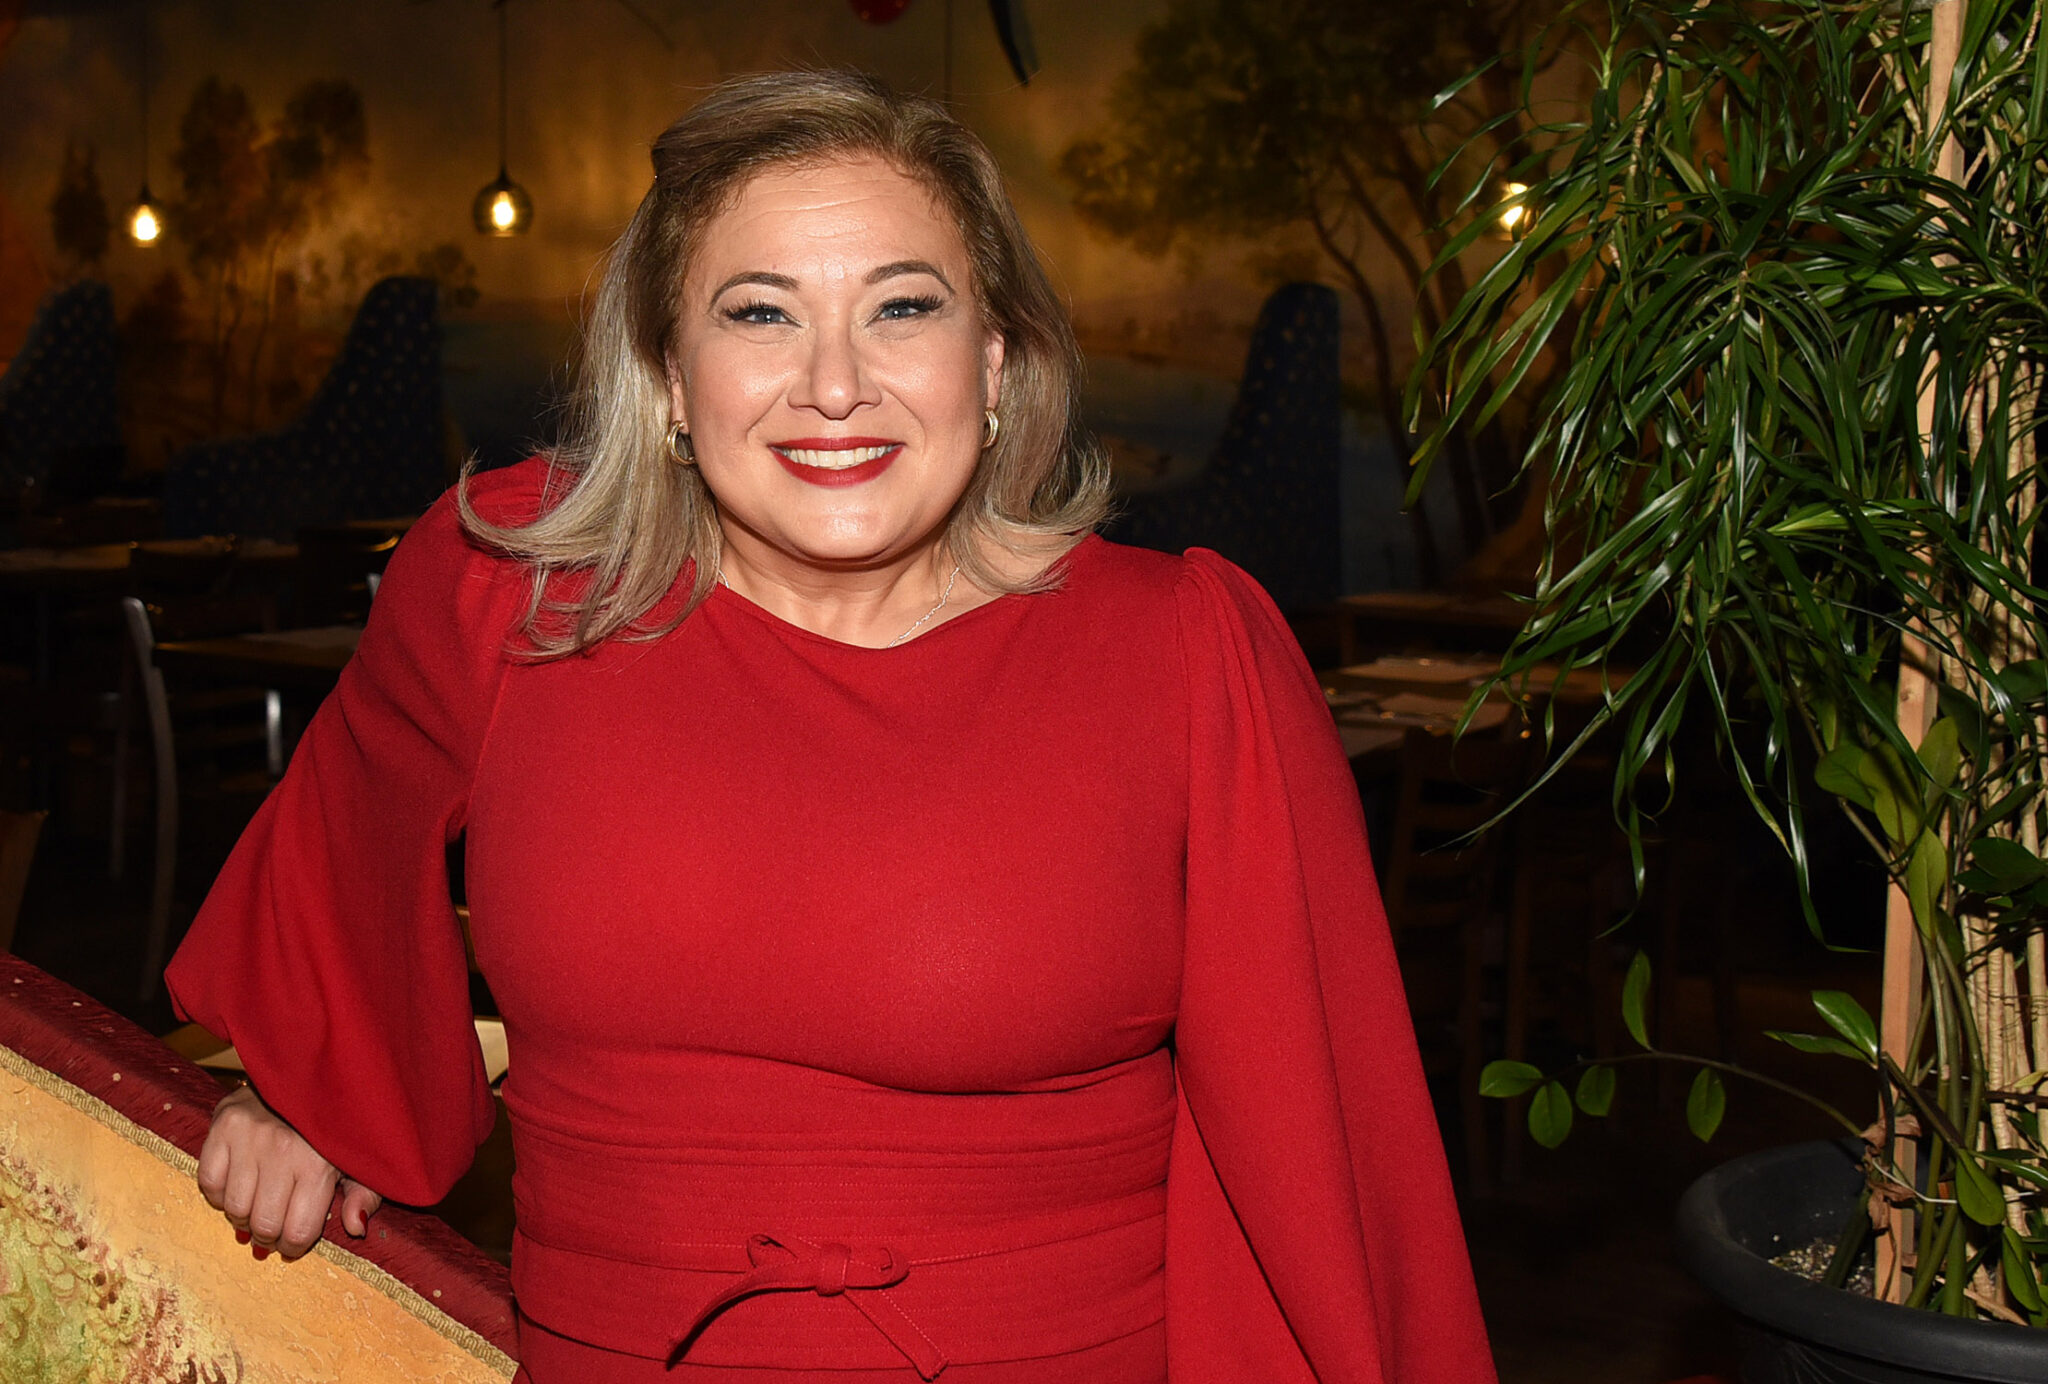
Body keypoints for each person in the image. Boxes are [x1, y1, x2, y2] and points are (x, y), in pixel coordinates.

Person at [167, 71, 1496, 1384]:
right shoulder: (503, 596)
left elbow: (1333, 1173)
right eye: (761, 313)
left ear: (994, 360)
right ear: (669, 376)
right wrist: (304, 1094)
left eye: (902, 307)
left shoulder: (1188, 656)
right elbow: (337, 892)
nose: (836, 385)